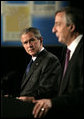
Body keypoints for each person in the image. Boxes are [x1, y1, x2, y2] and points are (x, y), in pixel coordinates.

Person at [32, 7, 83, 118]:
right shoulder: (66, 50)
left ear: (71, 27)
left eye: (58, 24)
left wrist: (52, 103)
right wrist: (35, 98)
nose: (53, 30)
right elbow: (63, 90)